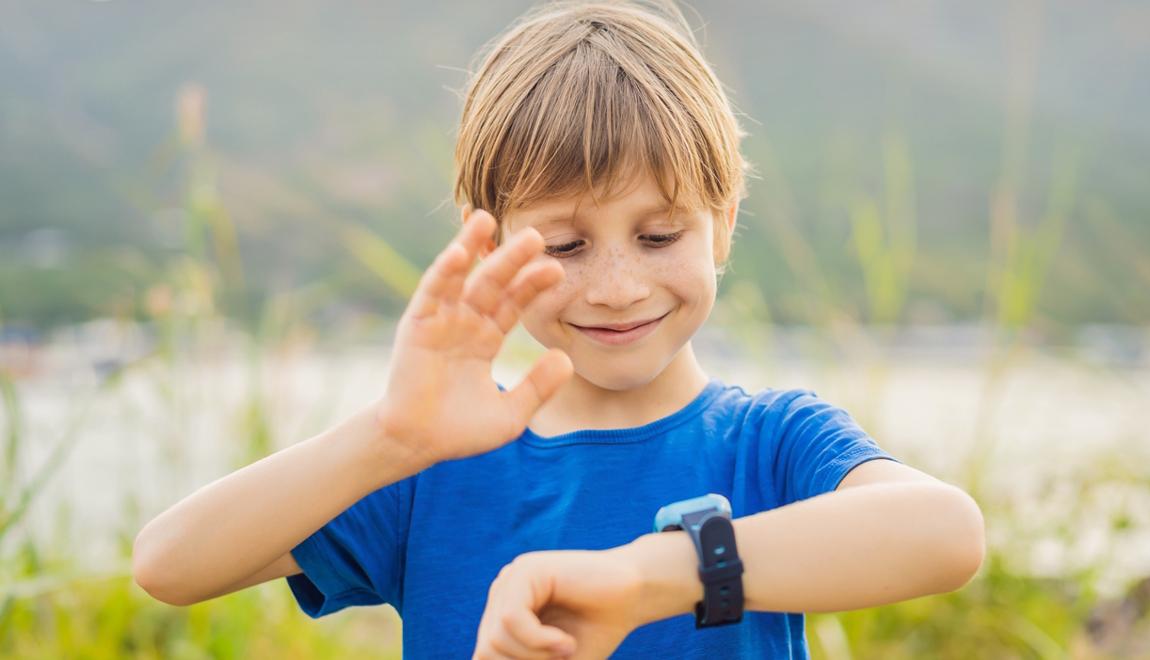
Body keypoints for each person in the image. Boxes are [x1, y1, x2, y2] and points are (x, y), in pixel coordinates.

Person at [132, 1, 986, 658]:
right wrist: (389, 436)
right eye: (566, 245)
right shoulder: (434, 465)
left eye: (659, 236)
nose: (616, 287)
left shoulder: (770, 444)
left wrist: (646, 577)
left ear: (724, 223)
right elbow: (170, 564)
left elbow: (943, 534)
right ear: (489, 240)